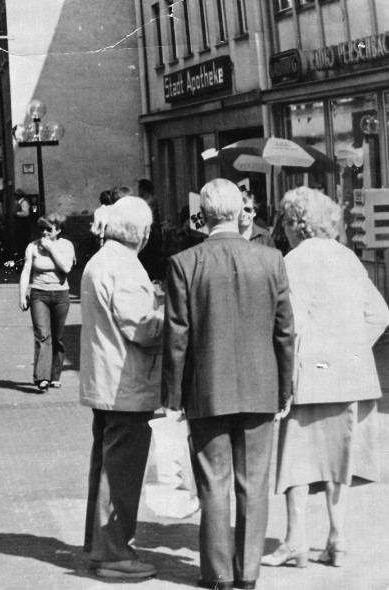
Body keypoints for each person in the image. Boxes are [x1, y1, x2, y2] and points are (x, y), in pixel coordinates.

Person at [162, 178, 295, 590]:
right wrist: (285, 389)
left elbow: (177, 335)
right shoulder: (271, 260)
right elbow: (285, 332)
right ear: (240, 212)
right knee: (253, 484)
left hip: (206, 389)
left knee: (213, 484)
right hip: (261, 387)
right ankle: (248, 573)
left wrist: (172, 396)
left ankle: (218, 575)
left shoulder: (184, 263)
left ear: (203, 215)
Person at [262, 188, 389, 569]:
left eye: (285, 222)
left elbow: (289, 326)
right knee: (339, 460)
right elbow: (380, 314)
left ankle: (295, 541)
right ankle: (338, 538)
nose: (283, 229)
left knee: (297, 461)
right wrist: (351, 348)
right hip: (351, 376)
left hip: (310, 377)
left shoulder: (292, 261)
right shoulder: (347, 258)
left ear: (295, 223)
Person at [80, 197, 162, 580]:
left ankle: (101, 547)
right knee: (122, 474)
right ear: (140, 231)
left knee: (107, 469)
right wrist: (171, 317)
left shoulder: (100, 260)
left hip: (106, 381)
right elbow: (142, 328)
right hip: (125, 385)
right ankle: (114, 551)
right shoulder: (125, 265)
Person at [19, 213, 74, 393]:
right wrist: (22, 295)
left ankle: (54, 376)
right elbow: (26, 270)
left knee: (57, 337)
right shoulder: (32, 246)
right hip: (39, 294)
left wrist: (51, 249)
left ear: (58, 230)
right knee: (42, 335)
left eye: (49, 229)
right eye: (42, 228)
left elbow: (66, 267)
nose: (44, 232)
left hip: (60, 295)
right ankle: (42, 377)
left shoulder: (66, 245)